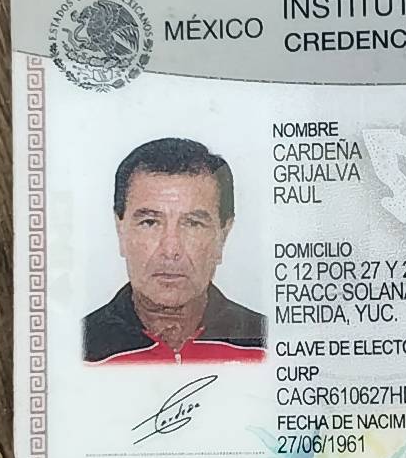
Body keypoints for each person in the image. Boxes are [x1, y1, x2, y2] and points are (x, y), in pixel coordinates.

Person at [83, 137, 268, 363]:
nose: (170, 250)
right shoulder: (77, 351)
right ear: (121, 231)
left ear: (222, 236)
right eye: (150, 222)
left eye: (193, 224)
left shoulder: (268, 345)